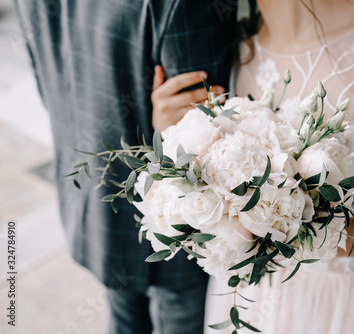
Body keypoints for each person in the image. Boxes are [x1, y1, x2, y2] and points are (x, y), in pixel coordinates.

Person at [151, 0, 354, 333]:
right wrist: (176, 136)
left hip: (343, 307)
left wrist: (298, 234)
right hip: (243, 302)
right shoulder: (226, 43)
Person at [13, 1, 235, 333]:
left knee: (123, 320)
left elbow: (48, 85)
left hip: (94, 207)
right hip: (174, 230)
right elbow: (207, 136)